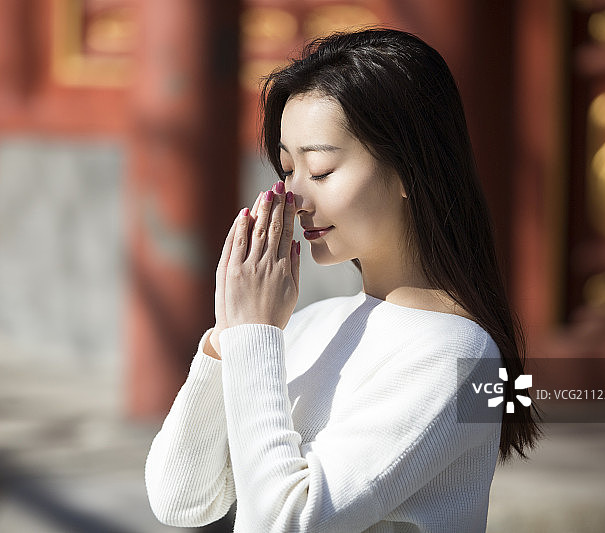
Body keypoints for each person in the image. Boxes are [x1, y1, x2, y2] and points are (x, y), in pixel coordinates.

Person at [145, 28, 541, 532]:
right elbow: (180, 500)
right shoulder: (309, 324)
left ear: (408, 169)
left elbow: (285, 523)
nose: (297, 197)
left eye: (322, 169)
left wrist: (256, 335)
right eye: (288, 170)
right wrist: (227, 339)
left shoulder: (464, 357)